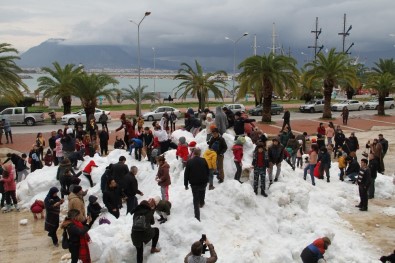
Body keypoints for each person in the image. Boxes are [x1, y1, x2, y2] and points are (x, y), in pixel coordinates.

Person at [184, 148, 209, 221]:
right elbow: (207, 171)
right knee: (202, 192)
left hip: (194, 184)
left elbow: (186, 174)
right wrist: (207, 180)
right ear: (200, 154)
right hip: (203, 182)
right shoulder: (204, 160)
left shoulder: (189, 162)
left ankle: (197, 217)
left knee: (195, 199)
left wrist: (186, 184)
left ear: (194, 154)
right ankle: (201, 203)